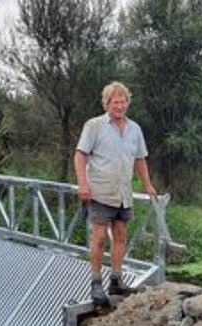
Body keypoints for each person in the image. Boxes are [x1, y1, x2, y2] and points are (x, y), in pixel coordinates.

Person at [74, 81, 157, 305]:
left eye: (123, 101)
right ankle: (95, 283)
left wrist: (147, 185)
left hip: (123, 193)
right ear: (107, 103)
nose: (119, 106)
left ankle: (116, 279)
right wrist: (82, 183)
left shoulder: (134, 129)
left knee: (120, 236)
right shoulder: (94, 126)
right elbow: (80, 155)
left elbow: (140, 159)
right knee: (99, 238)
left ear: (127, 103)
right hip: (100, 191)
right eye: (115, 102)